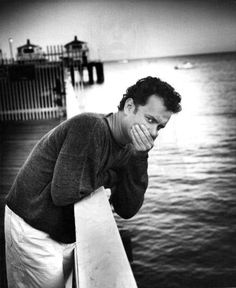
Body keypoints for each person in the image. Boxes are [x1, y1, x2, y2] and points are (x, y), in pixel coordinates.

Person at [4, 76, 181, 288]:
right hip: (33, 227)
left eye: (160, 127)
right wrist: (112, 177)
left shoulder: (128, 148)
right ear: (130, 106)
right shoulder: (90, 128)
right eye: (150, 120)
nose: (153, 133)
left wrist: (140, 157)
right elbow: (64, 193)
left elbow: (127, 209)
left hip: (64, 233)